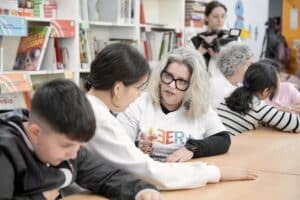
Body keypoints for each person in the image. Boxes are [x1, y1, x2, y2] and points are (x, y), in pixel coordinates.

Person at [85, 43, 257, 190]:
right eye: (138, 88)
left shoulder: (89, 109)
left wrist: (193, 150)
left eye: (181, 81)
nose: (139, 95)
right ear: (117, 89)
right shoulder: (102, 120)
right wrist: (214, 172)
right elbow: (147, 171)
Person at [0, 79, 161, 200]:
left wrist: (142, 191)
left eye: (79, 146)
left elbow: (105, 176)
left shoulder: (70, 148)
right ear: (35, 133)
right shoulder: (5, 152)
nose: (73, 154)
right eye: (67, 145)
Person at [117, 47, 231, 163]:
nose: (171, 85)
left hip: (185, 175)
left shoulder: (200, 107)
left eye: (181, 81)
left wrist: (192, 148)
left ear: (193, 87)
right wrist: (138, 147)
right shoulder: (139, 102)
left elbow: (223, 140)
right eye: (167, 76)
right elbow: (118, 144)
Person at [217, 61, 300, 135]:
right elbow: (297, 125)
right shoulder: (257, 107)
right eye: (272, 90)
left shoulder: (230, 95)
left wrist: (277, 112)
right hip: (227, 147)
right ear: (265, 91)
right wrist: (288, 112)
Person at [190, 1, 230, 76]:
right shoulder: (195, 40)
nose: (220, 20)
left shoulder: (231, 40)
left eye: (223, 16)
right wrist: (200, 51)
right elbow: (187, 66)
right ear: (206, 17)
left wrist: (217, 58)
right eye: (215, 16)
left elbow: (237, 71)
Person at [211, 42, 253, 108]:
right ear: (236, 64)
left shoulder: (240, 85)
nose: (251, 70)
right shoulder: (217, 85)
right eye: (248, 65)